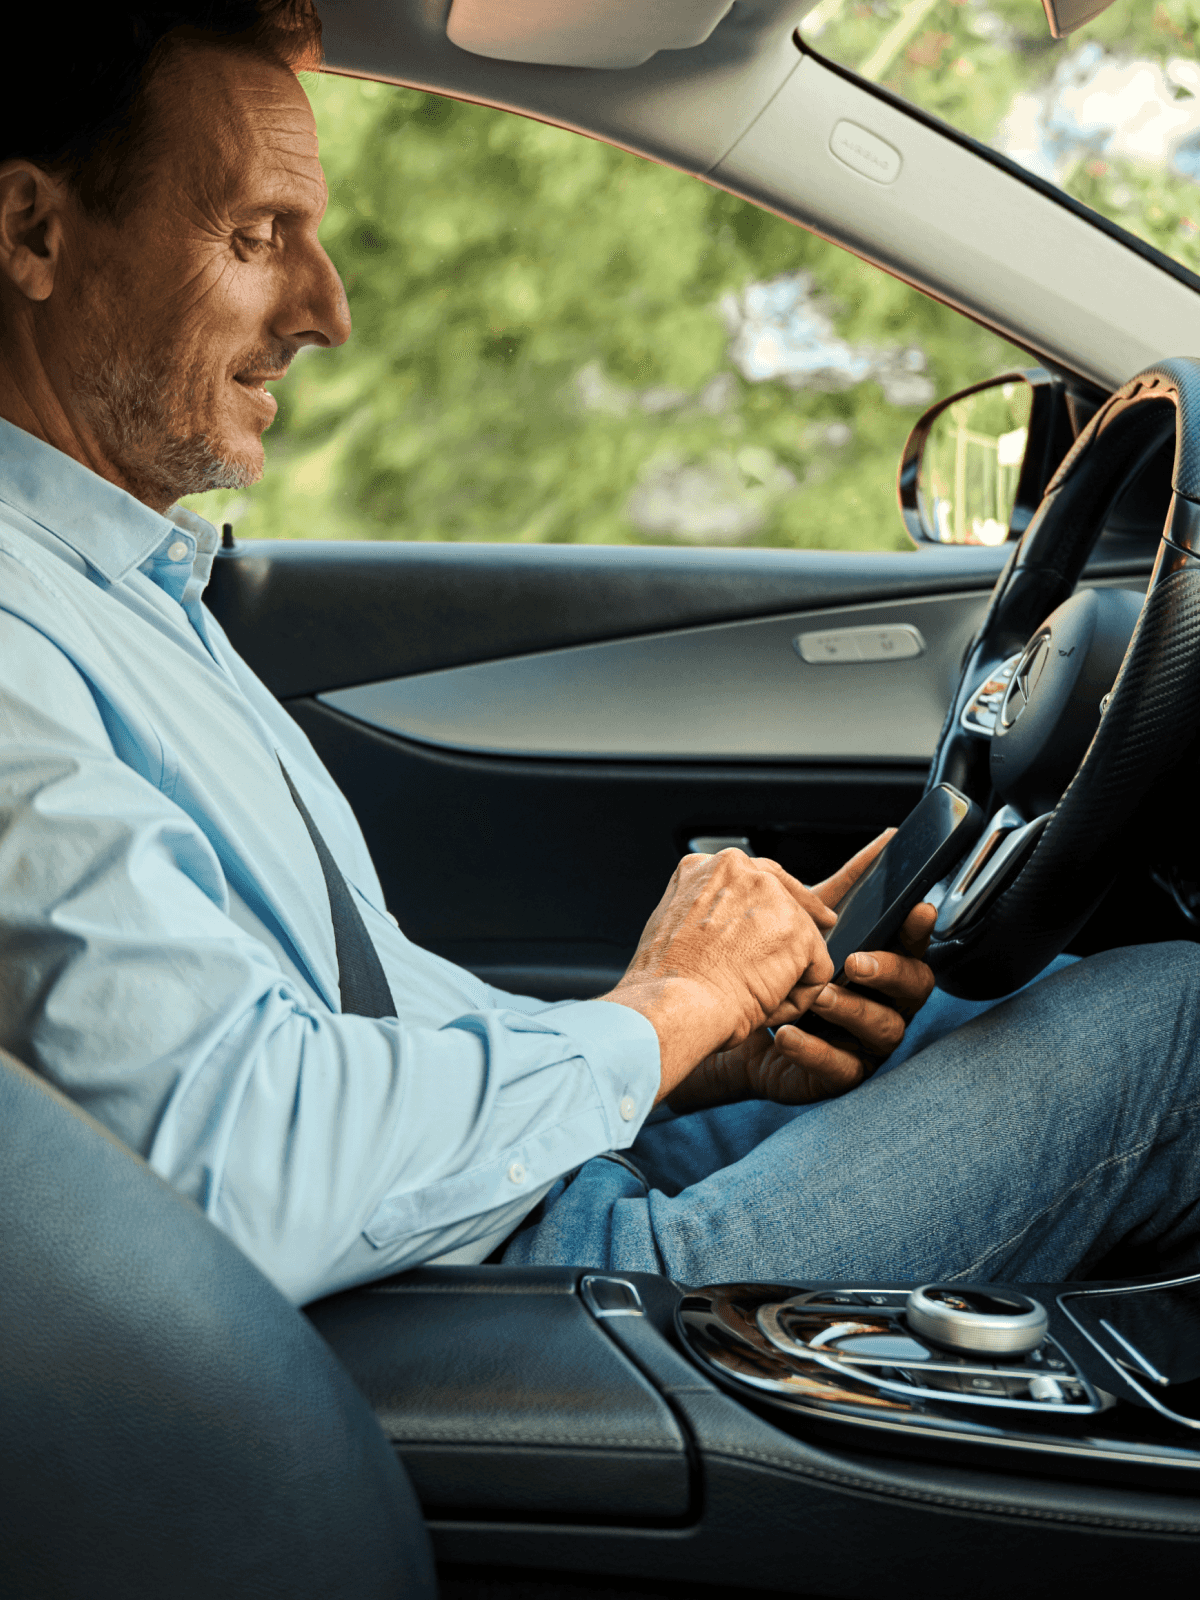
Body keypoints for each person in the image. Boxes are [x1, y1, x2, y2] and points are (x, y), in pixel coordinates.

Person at [1, 3, 1198, 1306]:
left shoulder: (126, 588)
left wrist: (695, 1048)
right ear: (33, 232)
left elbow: (360, 1031)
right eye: (254, 236)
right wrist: (665, 1010)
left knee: (1033, 997)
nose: (328, 310)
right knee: (1179, 1029)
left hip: (488, 1224)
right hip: (499, 1321)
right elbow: (240, 1165)